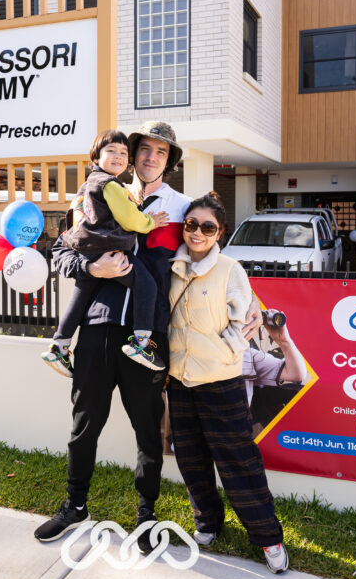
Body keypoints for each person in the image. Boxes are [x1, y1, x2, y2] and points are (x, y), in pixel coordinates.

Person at [33, 121, 261, 551]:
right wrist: (91, 268)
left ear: (169, 161)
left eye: (161, 152)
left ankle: (145, 514)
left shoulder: (181, 208)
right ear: (130, 153)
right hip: (97, 329)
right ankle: (75, 505)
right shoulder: (94, 194)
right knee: (84, 424)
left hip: (149, 339)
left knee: (148, 431)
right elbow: (61, 251)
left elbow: (212, 262)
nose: (151, 157)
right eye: (144, 149)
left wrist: (254, 303)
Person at [166, 191, 291, 574]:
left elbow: (243, 323)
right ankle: (207, 521)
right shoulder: (171, 266)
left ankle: (268, 536)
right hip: (180, 380)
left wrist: (225, 352)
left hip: (221, 381)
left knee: (238, 461)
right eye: (192, 224)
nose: (198, 232)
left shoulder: (230, 269)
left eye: (208, 227)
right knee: (191, 458)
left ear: (220, 232)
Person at [41, 130, 169, 378]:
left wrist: (87, 260)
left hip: (87, 250)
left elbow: (73, 222)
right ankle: (141, 343)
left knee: (79, 298)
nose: (118, 156)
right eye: (111, 151)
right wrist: (150, 222)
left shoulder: (86, 186)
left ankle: (59, 346)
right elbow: (129, 218)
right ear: (96, 157)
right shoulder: (111, 185)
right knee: (146, 285)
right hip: (109, 251)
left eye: (123, 153)